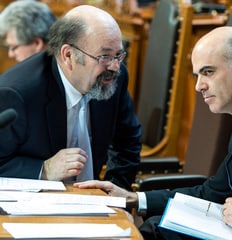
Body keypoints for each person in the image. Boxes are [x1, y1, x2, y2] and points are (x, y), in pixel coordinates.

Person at [74, 26, 232, 239]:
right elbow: (211, 192)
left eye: (208, 72)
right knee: (155, 228)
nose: (198, 86)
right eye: (197, 75)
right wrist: (135, 199)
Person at [0, 5, 141, 191]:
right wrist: (44, 170)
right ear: (68, 55)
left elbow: (128, 141)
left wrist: (113, 191)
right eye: (105, 56)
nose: (115, 66)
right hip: (37, 203)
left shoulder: (113, 77)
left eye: (118, 55)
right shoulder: (17, 92)